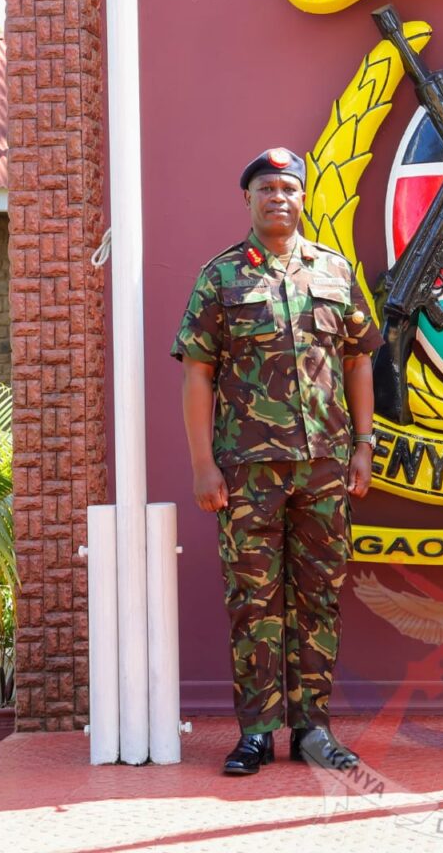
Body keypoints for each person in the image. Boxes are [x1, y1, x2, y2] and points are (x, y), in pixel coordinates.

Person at [171, 146, 383, 776]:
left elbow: (359, 362)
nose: (278, 199)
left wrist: (364, 446)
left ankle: (313, 729)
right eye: (266, 189)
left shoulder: (337, 273)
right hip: (245, 471)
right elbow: (197, 374)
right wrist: (202, 465)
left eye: (288, 189)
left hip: (324, 468)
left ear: (302, 198)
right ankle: (258, 732)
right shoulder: (221, 277)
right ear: (248, 199)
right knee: (253, 601)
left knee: (319, 598)